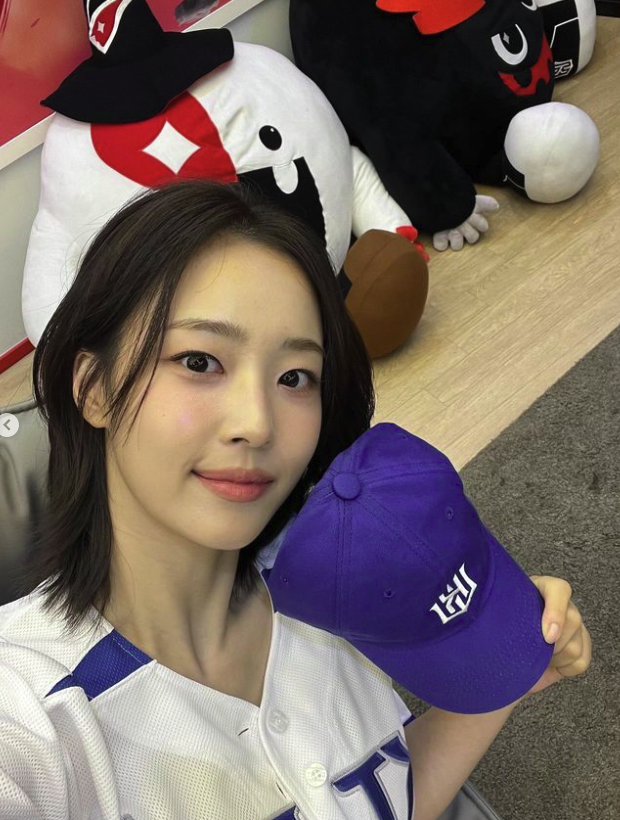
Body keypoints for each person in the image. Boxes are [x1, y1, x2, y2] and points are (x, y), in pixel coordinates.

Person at [0, 180, 591, 820]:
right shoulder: (30, 718)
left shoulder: (343, 583)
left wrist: (497, 672)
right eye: (199, 362)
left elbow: (383, 798)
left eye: (294, 377)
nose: (257, 424)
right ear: (94, 388)